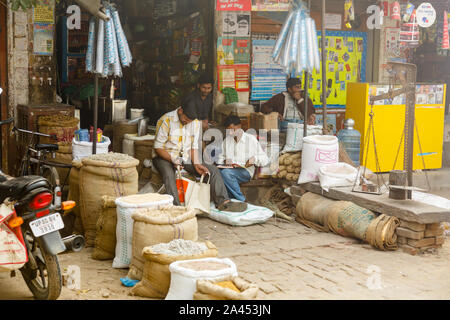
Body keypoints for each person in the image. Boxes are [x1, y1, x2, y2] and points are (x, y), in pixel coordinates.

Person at [152, 103, 247, 212]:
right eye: (186, 119)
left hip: (184, 156)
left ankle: (223, 203)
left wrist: (197, 164)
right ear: (180, 111)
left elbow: (194, 147)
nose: (188, 122)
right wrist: (173, 159)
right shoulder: (166, 120)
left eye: (190, 120)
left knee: (212, 170)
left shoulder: (195, 123)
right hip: (164, 156)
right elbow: (158, 147)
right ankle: (176, 208)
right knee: (169, 174)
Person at [217, 115, 269, 202]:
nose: (230, 133)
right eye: (228, 131)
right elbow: (220, 158)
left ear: (239, 127)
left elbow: (265, 159)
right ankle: (228, 200)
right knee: (217, 173)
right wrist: (224, 161)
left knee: (226, 173)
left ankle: (241, 200)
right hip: (230, 169)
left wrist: (254, 159)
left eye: (232, 130)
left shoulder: (250, 139)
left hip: (246, 172)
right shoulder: (227, 140)